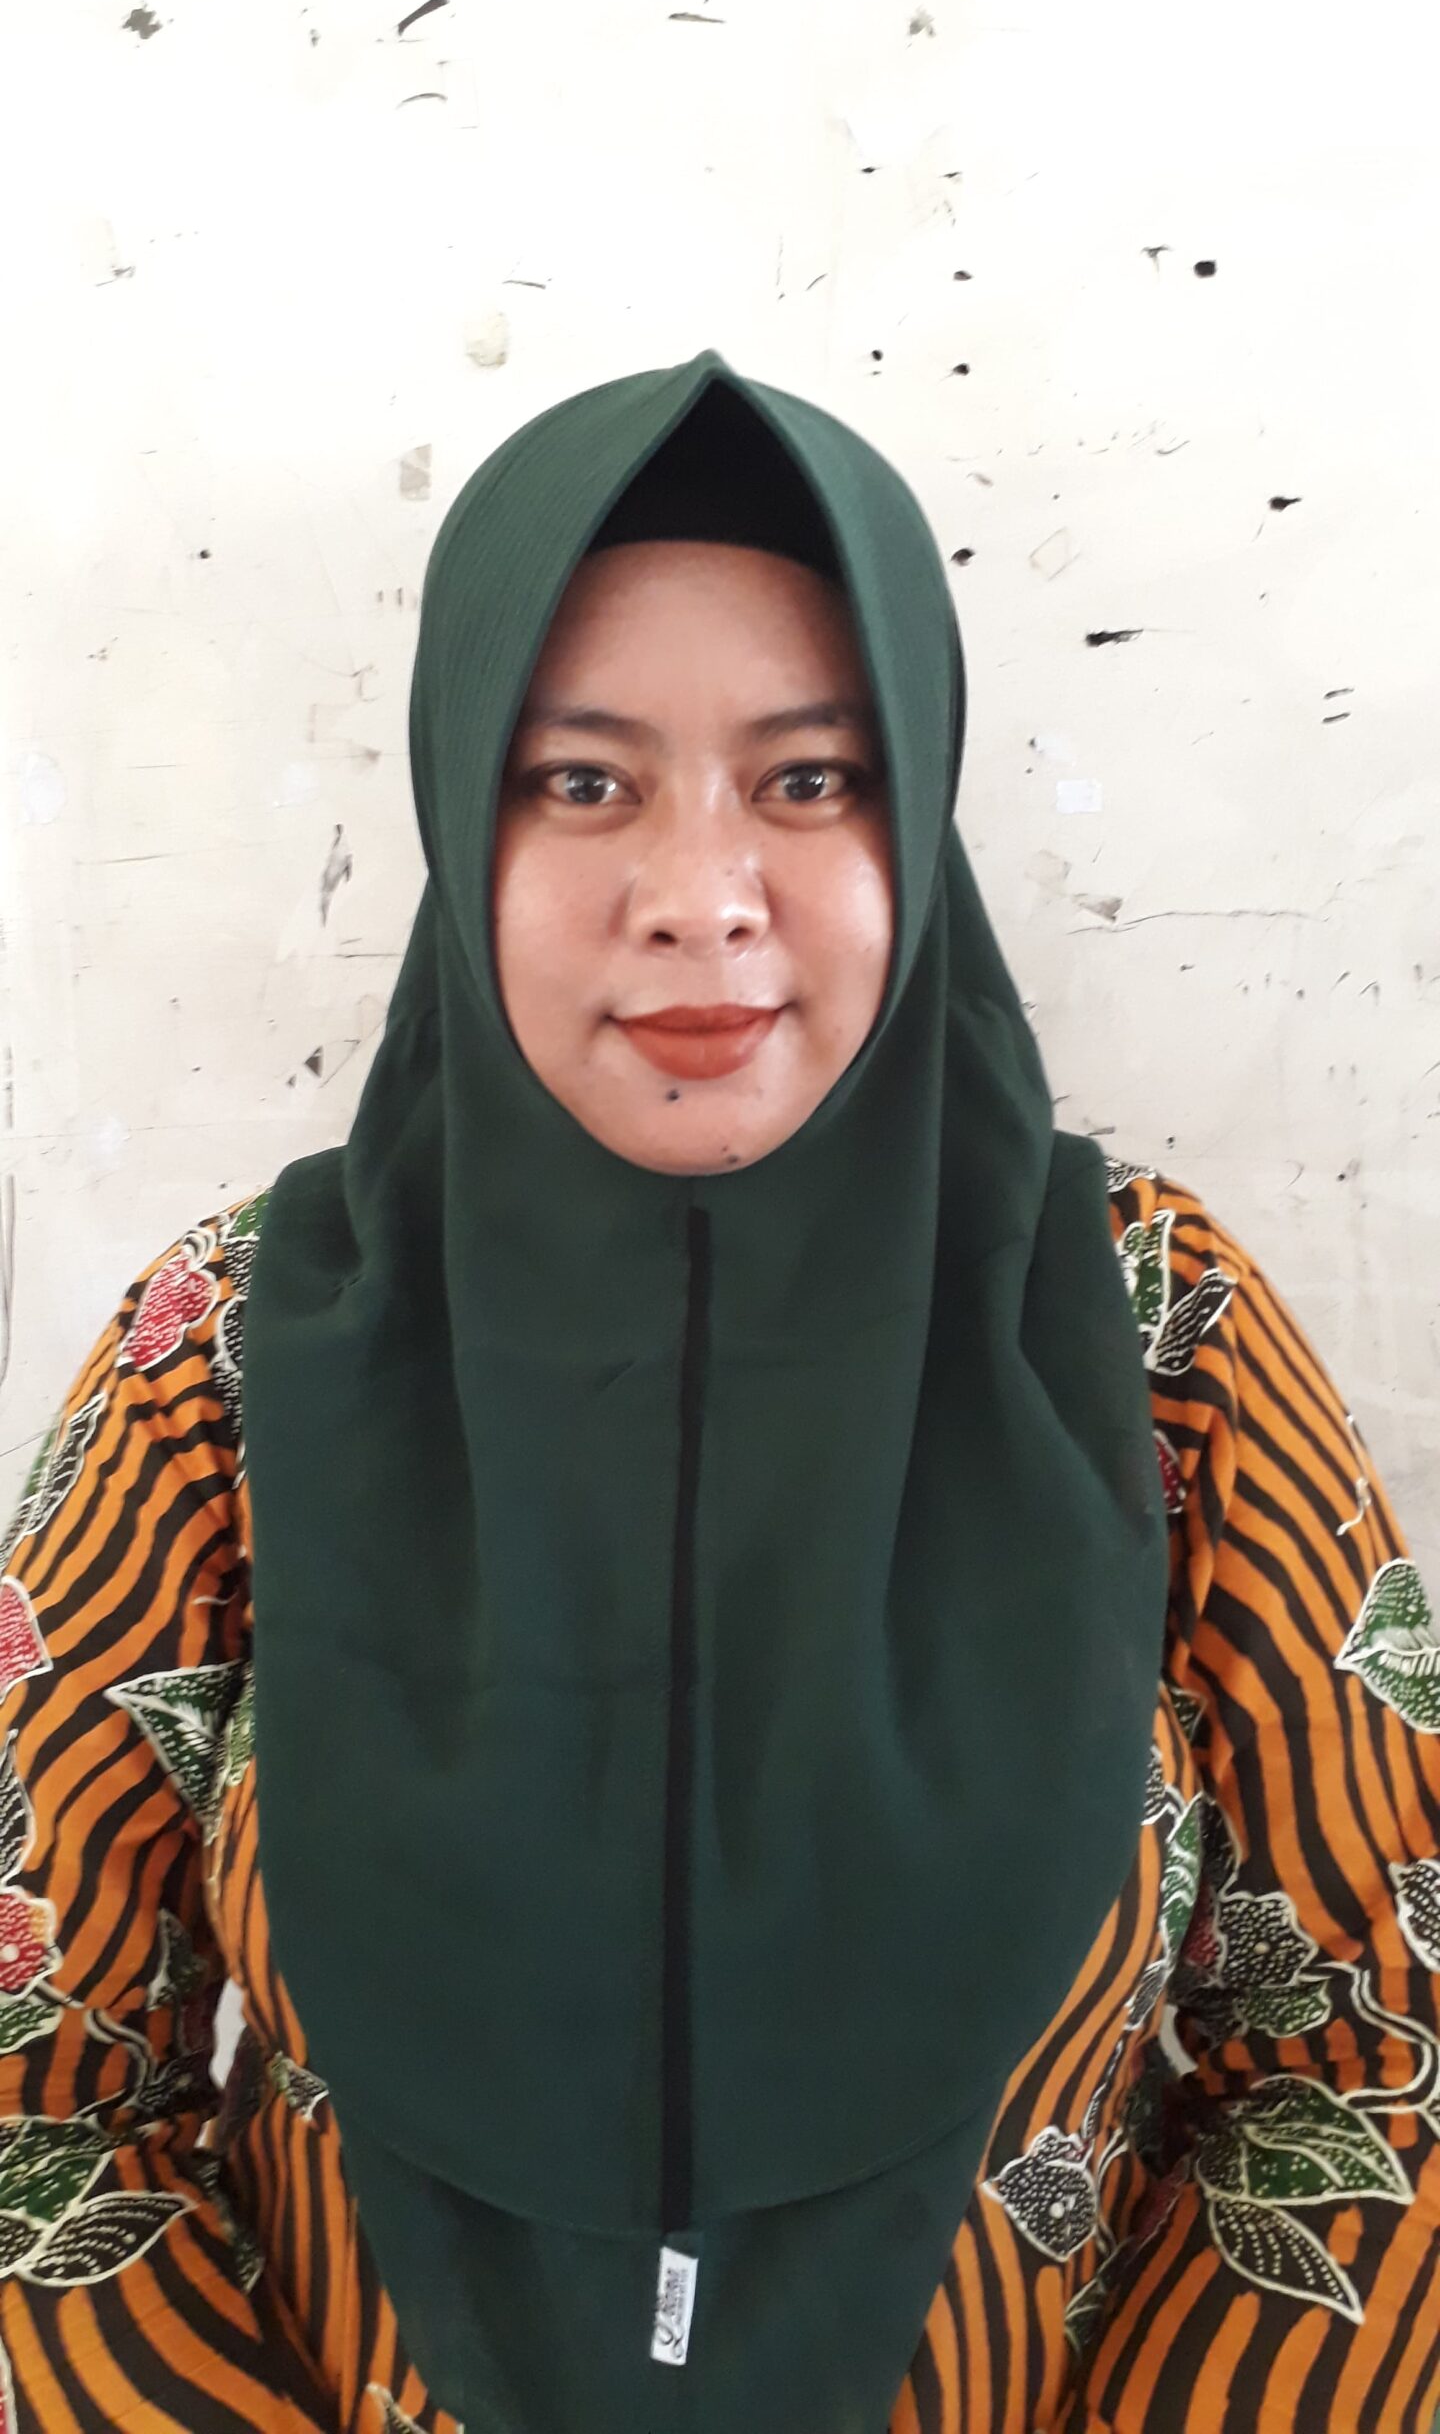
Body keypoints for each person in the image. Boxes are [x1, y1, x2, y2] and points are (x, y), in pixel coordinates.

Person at [0, 349, 1435, 2434]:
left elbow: (1374, 2064)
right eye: (584, 782)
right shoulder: (229, 1361)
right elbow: (36, 2104)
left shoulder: (1149, 1343)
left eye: (811, 778)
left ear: (917, 810)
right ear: (461, 814)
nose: (700, 894)